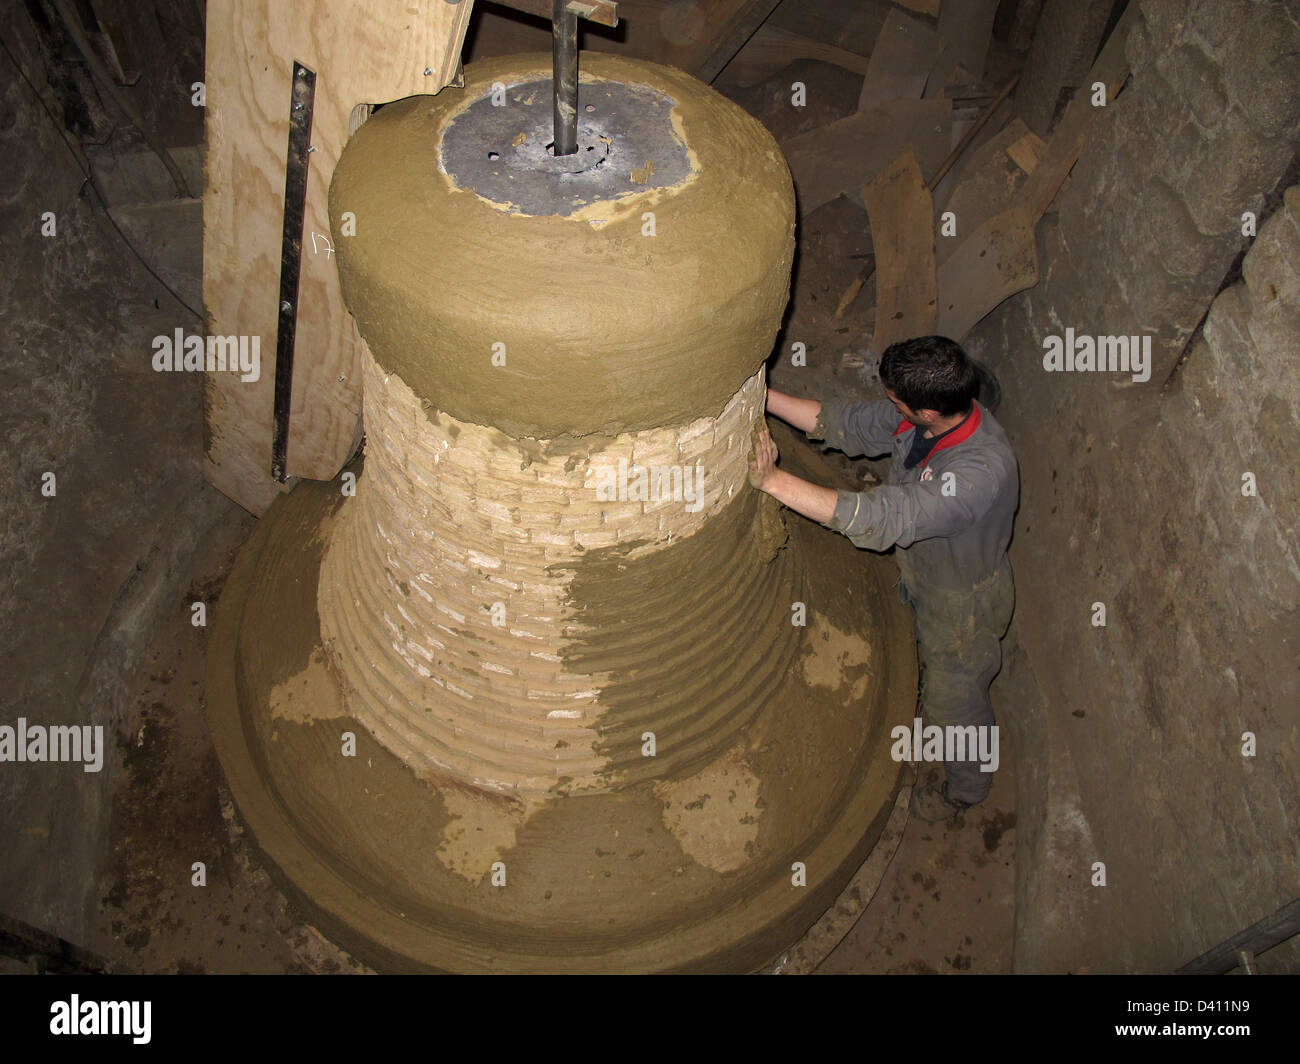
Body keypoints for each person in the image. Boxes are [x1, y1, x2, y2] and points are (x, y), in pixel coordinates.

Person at [750, 336, 1019, 822]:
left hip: (959, 602)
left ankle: (967, 789)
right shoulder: (931, 412)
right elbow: (848, 425)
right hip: (923, 568)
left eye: (896, 400)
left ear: (928, 412)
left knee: (953, 703)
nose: (889, 405)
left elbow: (884, 519)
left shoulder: (978, 473)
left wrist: (773, 482)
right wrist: (759, 396)